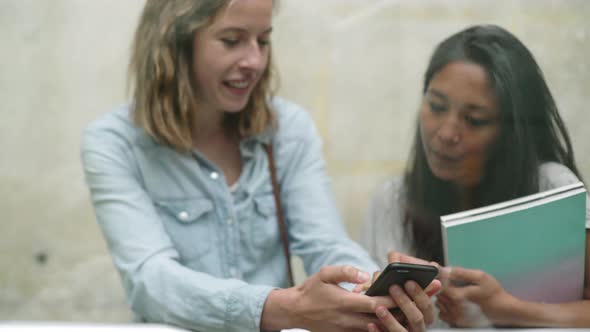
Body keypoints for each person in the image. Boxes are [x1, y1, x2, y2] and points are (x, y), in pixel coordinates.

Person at [81, 1, 440, 331]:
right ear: (176, 44)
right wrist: (283, 307)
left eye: (263, 41)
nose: (254, 61)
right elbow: (152, 282)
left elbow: (326, 244)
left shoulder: (288, 130)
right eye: (232, 40)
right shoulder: (114, 144)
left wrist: (371, 293)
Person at [361, 24, 590, 328]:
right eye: (436, 106)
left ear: (511, 131)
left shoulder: (551, 188)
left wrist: (508, 310)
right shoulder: (392, 200)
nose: (446, 133)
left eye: (475, 120)